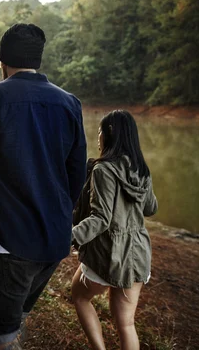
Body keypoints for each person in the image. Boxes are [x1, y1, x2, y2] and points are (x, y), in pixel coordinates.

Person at [0, 23, 87, 349]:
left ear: (2, 61)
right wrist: (59, 219)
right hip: (54, 242)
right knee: (18, 314)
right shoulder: (69, 103)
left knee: (0, 334)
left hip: (11, 243)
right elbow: (76, 174)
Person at [71, 110, 158, 350]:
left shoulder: (103, 170)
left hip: (108, 253)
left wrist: (69, 235)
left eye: (100, 131)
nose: (97, 136)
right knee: (126, 324)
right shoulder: (141, 169)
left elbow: (101, 219)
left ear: (109, 134)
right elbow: (151, 208)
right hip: (138, 254)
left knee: (79, 296)